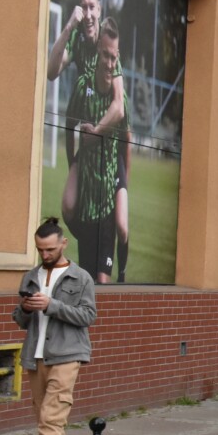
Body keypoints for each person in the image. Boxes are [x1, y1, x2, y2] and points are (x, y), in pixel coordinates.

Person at [10, 218, 96, 435]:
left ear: (63, 243)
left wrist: (52, 305)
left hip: (67, 354)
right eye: (40, 250)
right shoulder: (31, 276)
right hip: (35, 356)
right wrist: (25, 308)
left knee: (51, 417)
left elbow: (88, 316)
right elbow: (20, 320)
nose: (45, 254)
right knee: (46, 419)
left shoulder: (80, 277)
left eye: (50, 249)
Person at [64, 19, 128, 283]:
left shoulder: (118, 86)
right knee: (68, 207)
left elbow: (122, 118)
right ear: (98, 49)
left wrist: (125, 182)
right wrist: (73, 162)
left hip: (110, 180)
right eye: (106, 56)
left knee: (122, 228)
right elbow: (69, 124)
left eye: (114, 57)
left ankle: (121, 270)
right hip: (89, 189)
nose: (110, 63)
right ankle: (86, 236)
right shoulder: (85, 84)